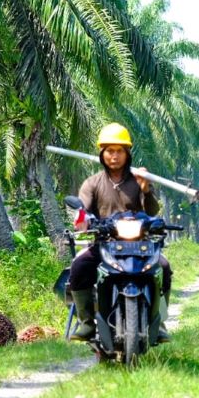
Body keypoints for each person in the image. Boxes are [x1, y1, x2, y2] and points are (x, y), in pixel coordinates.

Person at [69, 123, 173, 341]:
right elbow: (82, 211)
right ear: (102, 154)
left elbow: (152, 211)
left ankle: (160, 321)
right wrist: (83, 220)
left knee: (163, 267)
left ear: (127, 154)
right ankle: (86, 322)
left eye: (119, 151)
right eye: (110, 151)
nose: (114, 156)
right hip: (104, 243)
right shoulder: (92, 183)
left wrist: (146, 189)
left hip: (139, 244)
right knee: (79, 266)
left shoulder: (139, 179)